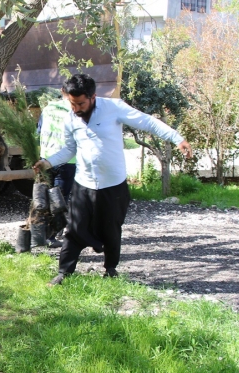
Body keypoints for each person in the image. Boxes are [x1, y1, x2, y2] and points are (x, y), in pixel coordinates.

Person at [32, 74, 192, 286]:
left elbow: (147, 122)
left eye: (80, 103)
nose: (76, 108)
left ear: (93, 97)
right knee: (74, 228)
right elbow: (70, 149)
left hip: (113, 185)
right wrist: (48, 162)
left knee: (111, 228)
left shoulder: (113, 108)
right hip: (84, 183)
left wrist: (177, 138)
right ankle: (64, 272)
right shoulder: (70, 117)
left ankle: (110, 269)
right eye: (72, 103)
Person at [36, 99, 76, 248]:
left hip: (45, 159)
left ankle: (40, 234)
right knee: (60, 200)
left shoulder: (48, 108)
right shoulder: (75, 109)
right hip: (67, 161)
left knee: (43, 198)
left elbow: (39, 131)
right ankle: (51, 236)